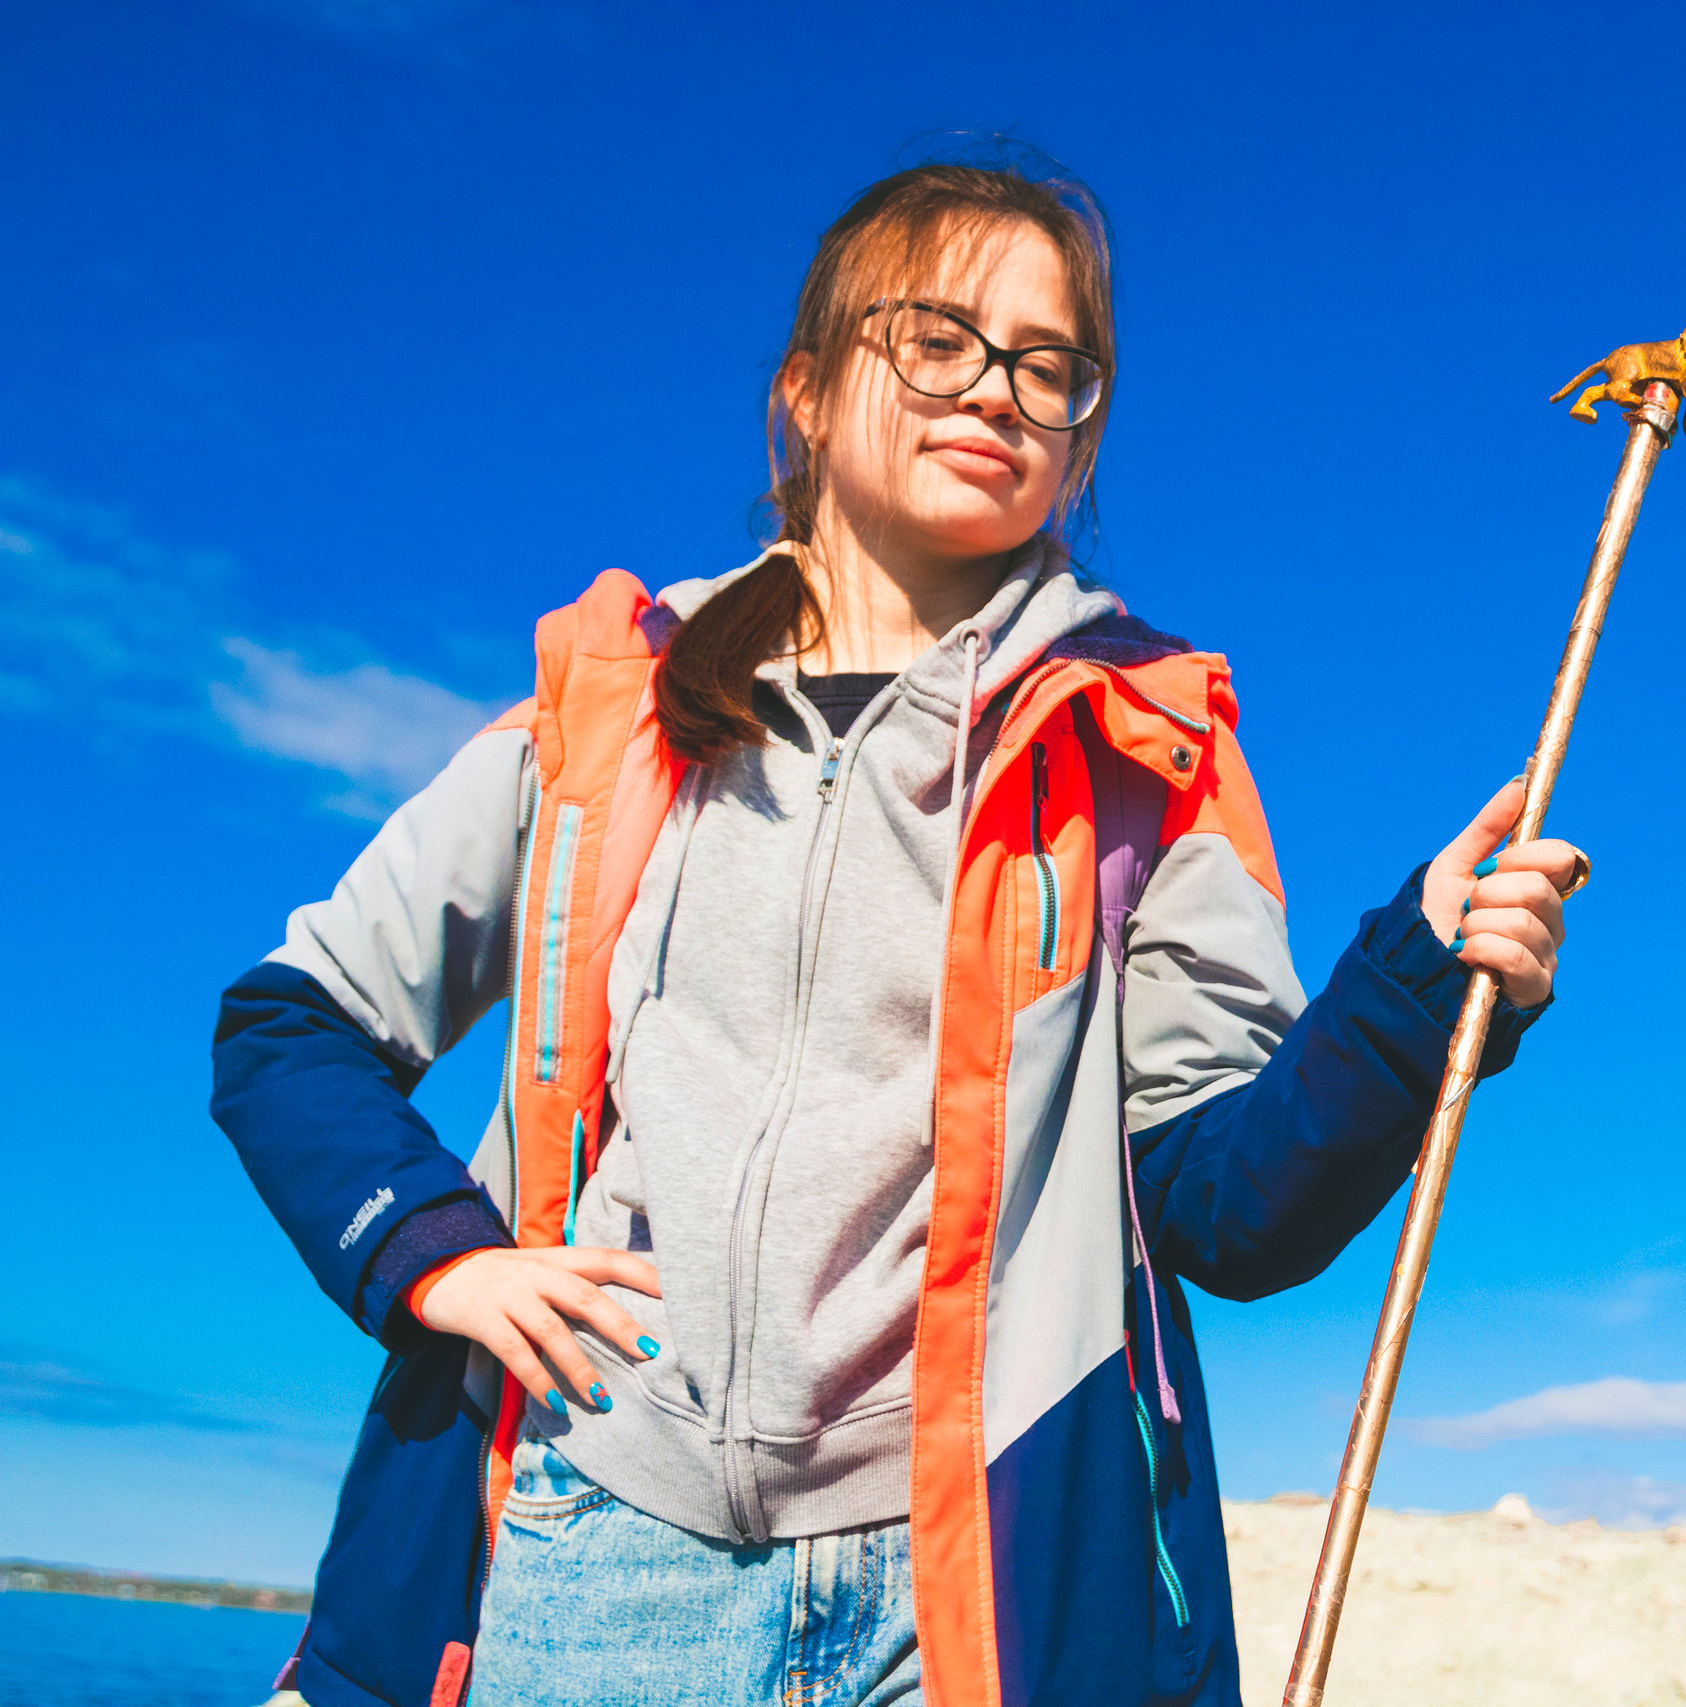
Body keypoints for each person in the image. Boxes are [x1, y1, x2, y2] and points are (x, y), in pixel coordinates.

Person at [212, 158, 1586, 1707]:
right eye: (938, 339)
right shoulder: (609, 715)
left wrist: (1415, 985)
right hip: (597, 1540)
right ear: (806, 393)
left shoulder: (1151, 749)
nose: (996, 391)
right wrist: (431, 1252)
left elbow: (1228, 1207)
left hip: (961, 1599)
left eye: (1049, 366)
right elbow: (289, 1024)